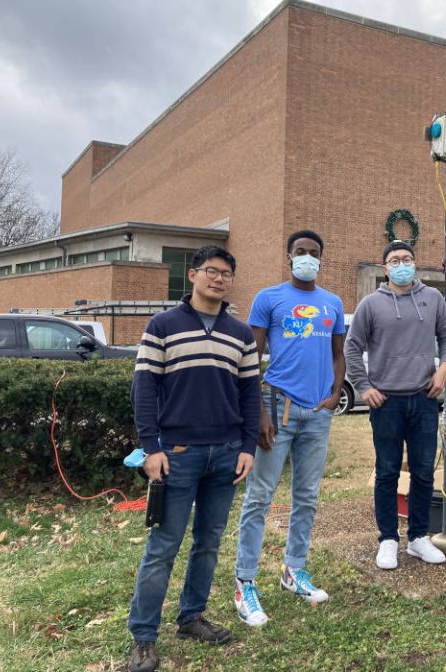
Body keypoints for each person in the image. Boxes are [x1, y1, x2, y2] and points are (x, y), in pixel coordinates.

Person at [127, 245, 260, 672]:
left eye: (225, 274)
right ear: (193, 276)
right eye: (210, 271)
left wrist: (247, 448)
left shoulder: (240, 334)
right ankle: (144, 636)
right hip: (177, 454)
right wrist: (152, 448)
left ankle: (191, 617)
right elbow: (144, 389)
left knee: (208, 543)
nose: (218, 279)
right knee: (163, 546)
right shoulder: (162, 326)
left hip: (225, 455)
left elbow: (250, 395)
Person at [234, 230, 346, 627]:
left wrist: (334, 396)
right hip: (276, 407)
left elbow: (338, 354)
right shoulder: (269, 299)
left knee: (307, 496)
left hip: (316, 414)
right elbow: (251, 359)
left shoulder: (332, 302)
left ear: (321, 259)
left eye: (314, 253)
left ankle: (293, 570)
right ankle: (244, 581)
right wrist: (258, 411)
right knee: (259, 497)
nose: (307, 258)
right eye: (300, 252)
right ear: (288, 256)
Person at [344, 240, 446, 570]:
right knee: (388, 472)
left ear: (415, 263)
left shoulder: (432, 298)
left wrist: (443, 370)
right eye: (395, 260)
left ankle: (418, 538)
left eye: (407, 258)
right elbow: (353, 348)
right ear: (385, 268)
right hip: (387, 402)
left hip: (424, 400)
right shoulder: (371, 304)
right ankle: (388, 539)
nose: (402, 264)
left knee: (423, 471)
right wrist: (364, 387)